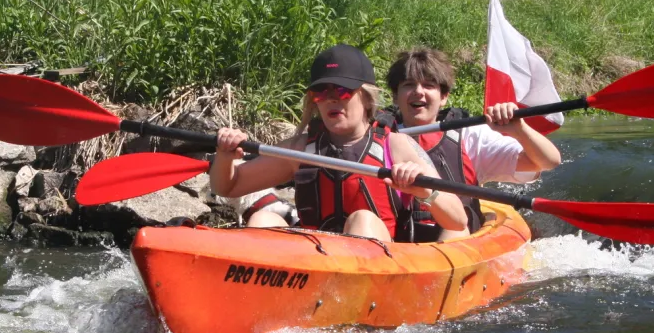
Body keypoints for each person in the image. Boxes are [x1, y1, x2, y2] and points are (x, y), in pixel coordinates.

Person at [210, 44, 467, 242]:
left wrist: (424, 191)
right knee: (263, 219)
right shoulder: (300, 150)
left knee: (362, 220)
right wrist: (225, 156)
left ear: (366, 98)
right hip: (314, 266)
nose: (332, 99)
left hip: (383, 264)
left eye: (343, 91)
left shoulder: (396, 145)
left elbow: (457, 221)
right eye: (322, 92)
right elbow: (228, 187)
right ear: (315, 101)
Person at [385, 47, 561, 241]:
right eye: (409, 85)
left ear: (444, 97)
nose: (418, 92)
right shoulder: (376, 135)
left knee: (457, 227)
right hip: (396, 244)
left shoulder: (469, 136)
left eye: (428, 85)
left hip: (458, 240)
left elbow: (548, 161)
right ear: (395, 96)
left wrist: (519, 129)